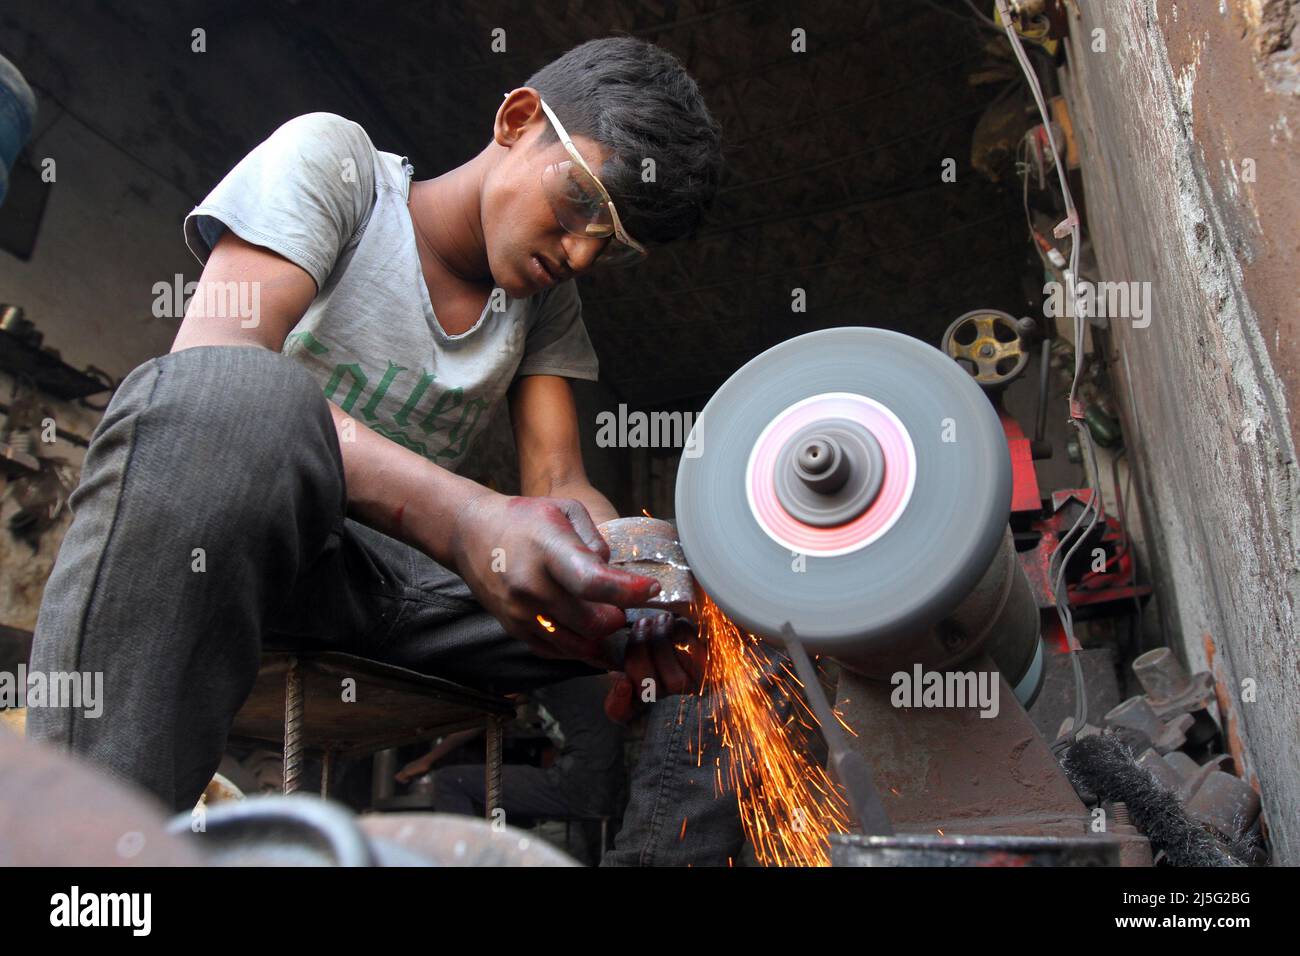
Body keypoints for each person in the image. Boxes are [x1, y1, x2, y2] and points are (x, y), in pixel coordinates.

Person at [28, 36, 748, 865]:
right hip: (256, 546)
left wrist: (637, 572)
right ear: (518, 120)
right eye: (583, 204)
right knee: (229, 396)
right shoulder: (339, 167)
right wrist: (466, 517)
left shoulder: (545, 305)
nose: (582, 252)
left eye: (612, 245)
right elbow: (216, 362)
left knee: (725, 611)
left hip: (405, 585)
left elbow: (560, 483)